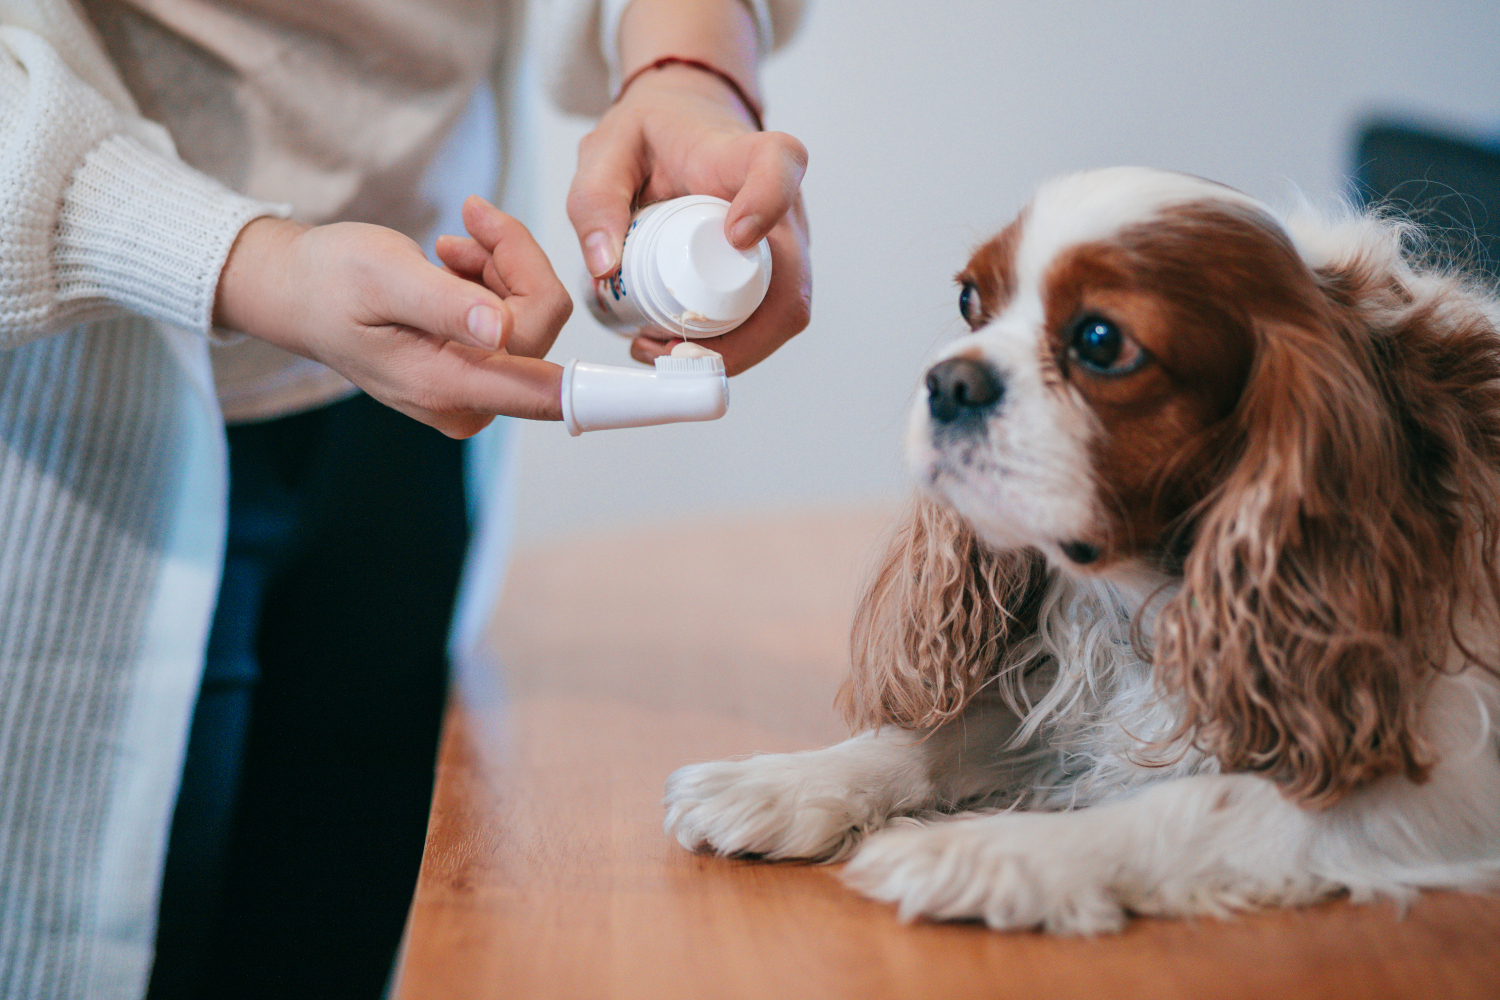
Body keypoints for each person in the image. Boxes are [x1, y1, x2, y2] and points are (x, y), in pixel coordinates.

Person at [0, 0, 810, 997]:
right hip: (73, 413)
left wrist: (689, 66)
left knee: (331, 936)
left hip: (403, 413)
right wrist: (257, 265)